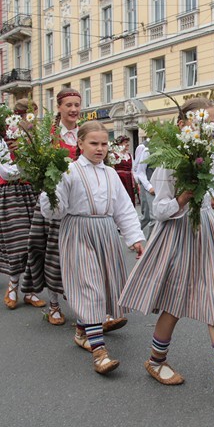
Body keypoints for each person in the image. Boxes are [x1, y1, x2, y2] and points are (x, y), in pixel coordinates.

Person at [119, 97, 214, 399]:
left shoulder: (207, 152)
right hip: (177, 234)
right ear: (184, 123)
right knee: (173, 302)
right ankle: (157, 361)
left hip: (205, 232)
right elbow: (159, 210)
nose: (208, 126)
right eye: (202, 120)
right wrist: (184, 197)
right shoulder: (170, 162)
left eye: (211, 121)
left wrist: (207, 192)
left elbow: (208, 184)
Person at [19, 88, 128, 332]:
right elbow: (38, 167)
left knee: (89, 263)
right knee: (53, 255)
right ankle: (55, 305)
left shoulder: (86, 134)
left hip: (81, 201)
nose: (73, 109)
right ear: (59, 107)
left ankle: (94, 311)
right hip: (57, 201)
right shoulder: (48, 135)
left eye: (77, 104)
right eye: (68, 104)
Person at [40, 121, 145, 375]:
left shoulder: (110, 173)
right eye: (94, 143)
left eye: (104, 144)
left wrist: (136, 238)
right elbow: (52, 211)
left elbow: (124, 208)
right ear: (80, 143)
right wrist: (51, 194)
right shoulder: (68, 171)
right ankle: (99, 351)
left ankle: (81, 331)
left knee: (103, 285)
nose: (100, 149)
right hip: (78, 232)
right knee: (90, 289)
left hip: (106, 232)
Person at [0, 99, 45, 311]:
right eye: (29, 116)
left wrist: (30, 167)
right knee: (18, 242)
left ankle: (31, 290)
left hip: (32, 192)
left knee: (35, 243)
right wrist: (26, 167)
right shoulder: (2, 140)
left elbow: (40, 167)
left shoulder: (36, 139)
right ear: (18, 117)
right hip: (12, 193)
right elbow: (5, 171)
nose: (32, 122)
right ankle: (13, 285)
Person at [133, 137, 155, 239]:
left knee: (154, 217)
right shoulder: (144, 148)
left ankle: (153, 244)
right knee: (147, 216)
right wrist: (143, 185)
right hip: (146, 184)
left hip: (159, 186)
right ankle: (133, 235)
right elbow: (138, 168)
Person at [113, 135, 136, 205]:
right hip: (120, 180)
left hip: (128, 180)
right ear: (119, 144)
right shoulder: (114, 155)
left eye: (127, 142)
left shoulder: (129, 155)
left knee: (130, 198)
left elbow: (133, 169)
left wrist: (135, 182)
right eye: (125, 142)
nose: (127, 144)